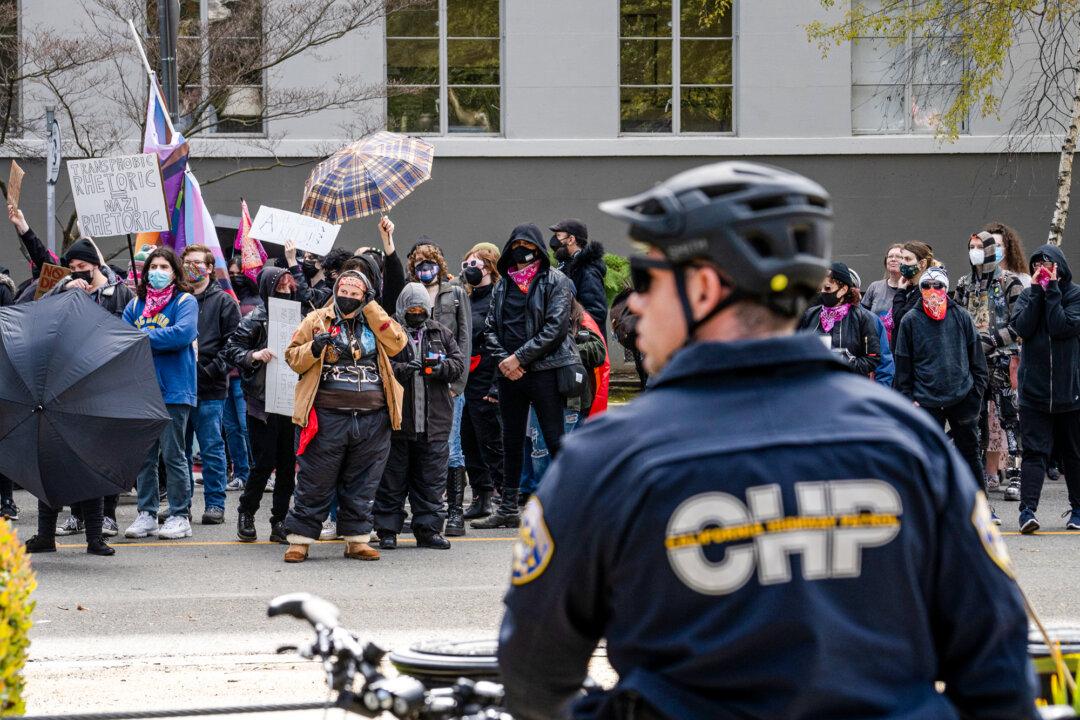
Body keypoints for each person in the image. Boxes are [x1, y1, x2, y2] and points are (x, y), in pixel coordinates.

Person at [497, 162, 1034, 720]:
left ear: (704, 288)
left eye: (647, 277)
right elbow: (997, 671)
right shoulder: (909, 442)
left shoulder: (608, 457)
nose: (634, 303)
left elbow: (534, 676)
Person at [281, 268, 407, 563]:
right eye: (344, 292)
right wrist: (315, 346)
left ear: (365, 296)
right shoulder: (316, 319)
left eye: (355, 294)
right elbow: (292, 358)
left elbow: (398, 344)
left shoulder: (376, 322)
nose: (347, 298)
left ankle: (357, 540)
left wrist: (373, 308)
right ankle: (300, 540)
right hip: (327, 416)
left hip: (373, 417)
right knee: (315, 479)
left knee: (363, 482)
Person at [473, 224, 578, 529]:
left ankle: (567, 505)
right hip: (510, 374)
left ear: (538, 248)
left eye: (527, 244)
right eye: (516, 244)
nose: (522, 250)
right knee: (511, 439)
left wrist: (519, 357)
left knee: (555, 438)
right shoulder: (503, 284)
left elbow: (555, 327)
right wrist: (506, 362)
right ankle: (507, 508)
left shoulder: (556, 280)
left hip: (544, 371)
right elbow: (490, 327)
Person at [47, 236, 135, 537]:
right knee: (74, 450)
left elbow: (128, 333)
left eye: (82, 266)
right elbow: (42, 313)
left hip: (108, 381)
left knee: (105, 452)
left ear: (96, 265)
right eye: (71, 267)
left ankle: (106, 515)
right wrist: (64, 289)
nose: (77, 271)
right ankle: (77, 514)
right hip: (74, 381)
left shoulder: (118, 293)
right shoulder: (68, 289)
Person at [893, 267, 991, 520]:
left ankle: (981, 507)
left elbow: (978, 362)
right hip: (925, 400)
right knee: (927, 457)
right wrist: (908, 400)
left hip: (961, 397)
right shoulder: (910, 320)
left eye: (938, 286)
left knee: (970, 454)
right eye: (926, 286)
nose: (932, 292)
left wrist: (974, 396)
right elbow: (902, 364)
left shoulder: (961, 316)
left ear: (947, 289)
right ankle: (930, 510)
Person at [373, 283, 465, 550]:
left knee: (431, 481)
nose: (416, 313)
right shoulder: (390, 333)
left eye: (421, 309)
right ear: (403, 307)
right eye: (411, 309)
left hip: (434, 422)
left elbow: (458, 364)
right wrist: (401, 369)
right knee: (392, 480)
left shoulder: (441, 332)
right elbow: (379, 365)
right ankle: (387, 530)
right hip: (399, 422)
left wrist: (440, 368)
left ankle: (428, 530)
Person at [122, 247, 199, 541]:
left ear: (175, 271)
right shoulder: (135, 305)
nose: (158, 271)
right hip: (142, 390)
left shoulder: (185, 301)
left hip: (175, 389)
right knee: (144, 456)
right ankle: (147, 513)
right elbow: (123, 337)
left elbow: (182, 333)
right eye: (153, 266)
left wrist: (142, 337)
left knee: (173, 454)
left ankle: (180, 514)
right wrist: (144, 339)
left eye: (164, 266)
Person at [225, 266, 298, 543]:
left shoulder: (300, 317)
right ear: (268, 287)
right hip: (262, 402)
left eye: (290, 287)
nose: (287, 291)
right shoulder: (254, 318)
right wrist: (254, 354)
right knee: (264, 462)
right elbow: (232, 349)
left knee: (288, 465)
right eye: (281, 287)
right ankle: (247, 511)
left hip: (291, 400)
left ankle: (279, 519)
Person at [1010, 244, 1080, 533]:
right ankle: (1027, 511)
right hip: (1034, 393)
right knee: (1034, 453)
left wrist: (1052, 291)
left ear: (1059, 266)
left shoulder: (1075, 296)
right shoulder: (1028, 295)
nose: (1042, 267)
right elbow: (1023, 327)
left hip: (1070, 392)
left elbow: (1060, 326)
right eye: (1037, 263)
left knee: (1074, 453)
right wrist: (1038, 292)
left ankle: (1077, 510)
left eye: (1047, 263)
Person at [955, 230, 1025, 502]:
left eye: (978, 247)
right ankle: (982, 473)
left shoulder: (1010, 282)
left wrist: (994, 340)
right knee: (976, 417)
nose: (974, 252)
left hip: (1003, 358)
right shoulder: (964, 283)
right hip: (974, 360)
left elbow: (1020, 322)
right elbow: (958, 317)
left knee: (1010, 416)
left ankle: (1017, 474)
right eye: (970, 246)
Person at [406, 238, 472, 524]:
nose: (425, 268)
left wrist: (458, 384)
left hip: (448, 381)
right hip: (419, 384)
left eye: (429, 262)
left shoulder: (455, 293)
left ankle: (454, 511)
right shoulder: (410, 293)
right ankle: (424, 508)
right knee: (422, 445)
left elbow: (465, 339)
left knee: (451, 445)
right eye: (419, 263)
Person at [180, 245, 241, 525]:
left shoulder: (224, 302)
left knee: (211, 447)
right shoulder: (178, 299)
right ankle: (181, 504)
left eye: (197, 263)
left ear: (208, 267)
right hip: (179, 386)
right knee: (178, 450)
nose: (192, 267)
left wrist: (209, 370)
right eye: (187, 262)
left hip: (209, 387)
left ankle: (215, 503)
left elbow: (233, 344)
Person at [459, 243, 505, 522]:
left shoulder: (498, 298)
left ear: (489, 267)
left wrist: (495, 385)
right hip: (467, 379)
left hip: (488, 377)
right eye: (465, 265)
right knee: (469, 441)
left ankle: (506, 498)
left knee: (492, 441)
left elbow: (501, 343)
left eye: (474, 265)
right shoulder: (465, 299)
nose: (468, 270)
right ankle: (481, 497)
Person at [797, 261, 880, 378]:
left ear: (843, 290)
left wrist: (844, 363)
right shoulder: (810, 314)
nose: (823, 292)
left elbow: (872, 358)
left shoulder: (862, 318)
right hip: (815, 384)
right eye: (821, 288)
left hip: (849, 386)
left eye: (827, 288)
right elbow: (799, 349)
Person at [223, 255, 263, 491]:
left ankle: (259, 471)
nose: (235, 277)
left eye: (240, 273)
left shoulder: (258, 302)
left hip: (245, 374)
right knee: (232, 427)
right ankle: (241, 472)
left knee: (246, 425)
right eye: (231, 272)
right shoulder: (227, 298)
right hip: (226, 373)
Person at [549, 219, 608, 336]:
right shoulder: (566, 266)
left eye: (558, 236)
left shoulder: (587, 270)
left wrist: (571, 327)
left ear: (571, 239)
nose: (554, 241)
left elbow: (597, 312)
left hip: (583, 346)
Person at [7, 205, 59, 302]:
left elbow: (43, 258)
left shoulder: (60, 290)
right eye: (34, 263)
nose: (35, 265)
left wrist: (23, 226)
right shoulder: (23, 289)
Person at [889, 240, 937, 337]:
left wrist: (900, 292)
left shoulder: (925, 291)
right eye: (902, 258)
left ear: (922, 264)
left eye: (907, 259)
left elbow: (900, 319)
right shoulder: (909, 287)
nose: (902, 262)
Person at [861, 243, 904, 320]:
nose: (893, 259)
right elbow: (863, 316)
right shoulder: (875, 287)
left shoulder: (911, 289)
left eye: (898, 256)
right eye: (890, 256)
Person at [989, 221, 1031, 287]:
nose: (992, 249)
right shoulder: (981, 280)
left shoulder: (1024, 280)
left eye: (997, 245)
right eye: (989, 245)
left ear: (1008, 249)